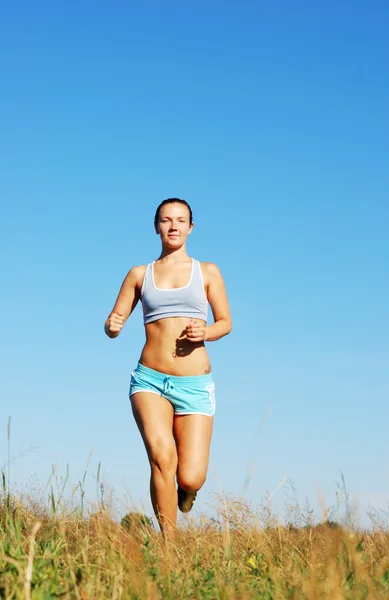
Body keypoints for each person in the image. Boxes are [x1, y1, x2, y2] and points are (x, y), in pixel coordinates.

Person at [104, 198, 232, 536]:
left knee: (190, 476)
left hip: (194, 385)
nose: (173, 226)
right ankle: (168, 548)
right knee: (162, 458)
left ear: (191, 227)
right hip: (150, 380)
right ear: (156, 226)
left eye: (180, 220)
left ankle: (187, 492)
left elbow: (225, 322)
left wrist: (207, 331)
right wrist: (114, 325)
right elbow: (113, 321)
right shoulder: (139, 274)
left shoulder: (207, 272)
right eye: (165, 220)